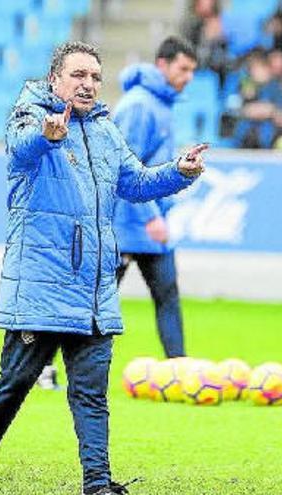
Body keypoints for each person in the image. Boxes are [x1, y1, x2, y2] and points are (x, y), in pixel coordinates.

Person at [0, 41, 207, 495]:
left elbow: (136, 183)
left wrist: (179, 171)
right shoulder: (31, 118)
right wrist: (46, 135)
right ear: (55, 80)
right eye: (78, 76)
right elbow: (19, 150)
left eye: (94, 76)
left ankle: (98, 483)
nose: (88, 84)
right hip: (42, 288)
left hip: (93, 290)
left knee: (91, 396)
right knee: (14, 384)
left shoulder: (105, 132)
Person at [111, 36, 198, 359]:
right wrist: (151, 216)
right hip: (125, 221)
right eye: (183, 68)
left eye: (192, 71)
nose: (188, 77)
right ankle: (46, 366)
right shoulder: (138, 106)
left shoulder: (160, 103)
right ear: (162, 65)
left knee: (167, 294)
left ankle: (180, 368)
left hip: (146, 222)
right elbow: (125, 168)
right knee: (98, 302)